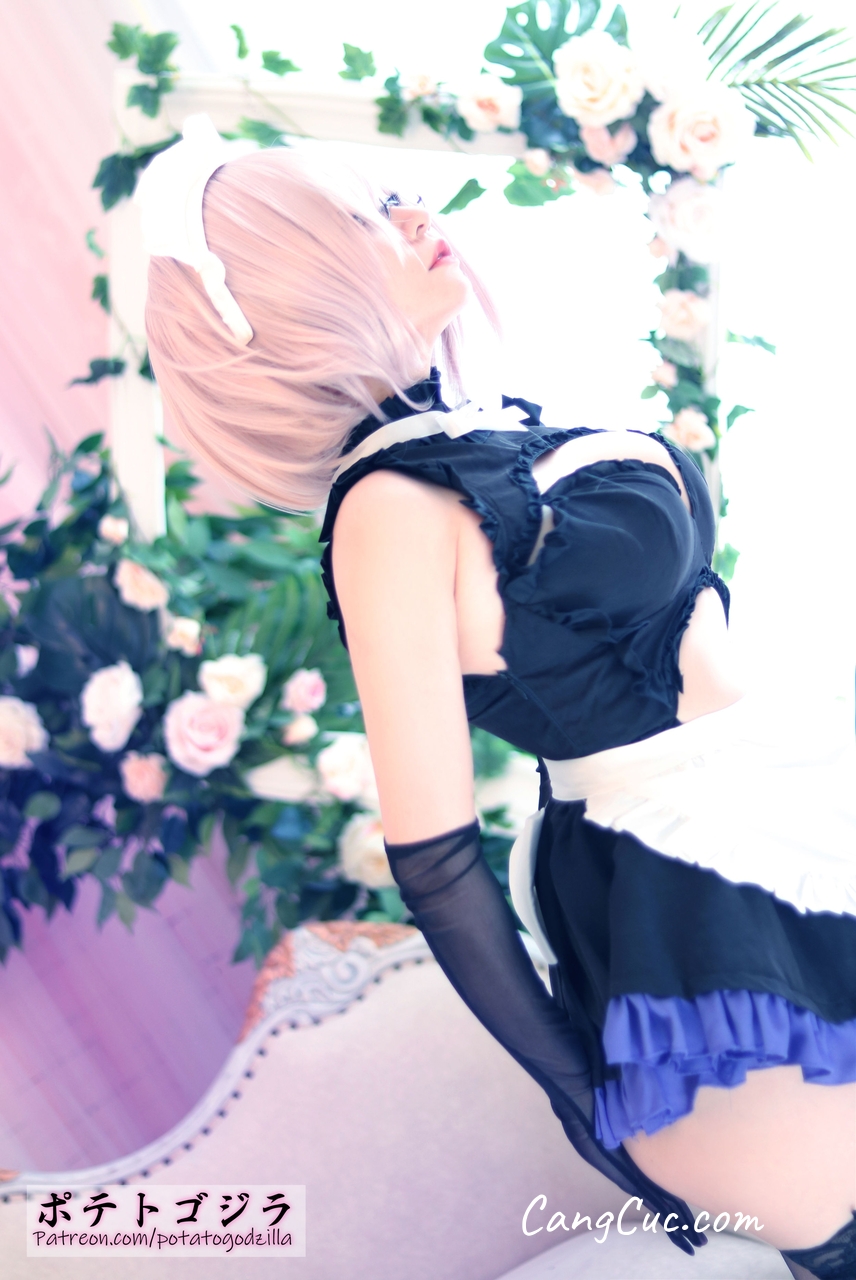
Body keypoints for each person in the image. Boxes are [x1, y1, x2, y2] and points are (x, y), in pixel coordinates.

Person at [138, 116, 856, 1279]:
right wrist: (582, 1093)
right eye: (367, 217)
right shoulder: (384, 508)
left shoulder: (495, 426)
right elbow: (432, 856)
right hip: (703, 900)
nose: (416, 218)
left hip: (795, 805)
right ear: (304, 284)